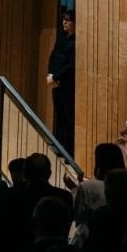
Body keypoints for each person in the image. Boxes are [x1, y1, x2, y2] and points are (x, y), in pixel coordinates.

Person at [46, 11, 75, 154]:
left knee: (67, 117)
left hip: (67, 85)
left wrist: (56, 77)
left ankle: (67, 149)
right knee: (59, 115)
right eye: (64, 19)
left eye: (68, 20)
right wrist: (51, 75)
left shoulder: (75, 42)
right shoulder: (62, 39)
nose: (64, 22)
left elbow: (71, 65)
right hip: (56, 83)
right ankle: (59, 145)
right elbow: (53, 57)